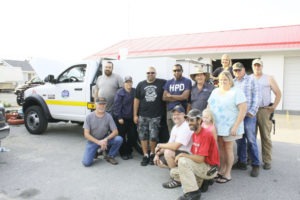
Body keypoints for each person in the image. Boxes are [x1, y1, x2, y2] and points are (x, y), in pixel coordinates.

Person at [162, 109, 220, 200]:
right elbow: (195, 156)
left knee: (183, 161)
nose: (189, 122)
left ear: (200, 120)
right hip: (202, 165)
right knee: (173, 172)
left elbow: (200, 159)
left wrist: (183, 155)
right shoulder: (194, 134)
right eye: (188, 120)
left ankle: (193, 193)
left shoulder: (206, 134)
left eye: (192, 120)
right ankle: (202, 181)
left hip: (209, 168)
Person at [208, 71, 247, 183]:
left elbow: (243, 110)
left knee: (228, 148)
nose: (222, 82)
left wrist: (236, 126)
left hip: (230, 127)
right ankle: (221, 170)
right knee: (220, 147)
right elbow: (209, 106)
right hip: (217, 126)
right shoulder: (215, 91)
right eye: (220, 80)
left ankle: (228, 173)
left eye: (225, 79)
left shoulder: (236, 92)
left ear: (230, 80)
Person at [250, 59, 282, 170]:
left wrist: (274, 106)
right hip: (252, 111)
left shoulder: (269, 78)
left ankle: (267, 160)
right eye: (255, 65)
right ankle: (251, 158)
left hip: (264, 110)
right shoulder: (249, 79)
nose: (257, 67)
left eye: (259, 65)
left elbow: (278, 93)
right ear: (252, 66)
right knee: (251, 137)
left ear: (262, 67)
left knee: (266, 137)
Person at [232, 62, 260, 177]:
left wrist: (252, 111)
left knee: (251, 139)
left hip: (248, 115)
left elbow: (257, 96)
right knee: (240, 140)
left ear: (244, 69)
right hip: (237, 116)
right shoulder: (232, 82)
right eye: (235, 70)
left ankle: (255, 164)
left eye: (239, 70)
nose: (237, 72)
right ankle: (242, 162)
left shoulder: (252, 80)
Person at [134, 67, 166, 166]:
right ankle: (145, 155)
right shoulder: (140, 84)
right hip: (143, 115)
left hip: (156, 116)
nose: (150, 74)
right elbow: (136, 100)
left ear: (155, 73)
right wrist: (135, 114)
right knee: (143, 136)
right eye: (148, 72)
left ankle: (152, 154)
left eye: (152, 73)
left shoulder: (162, 83)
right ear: (146, 74)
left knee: (153, 137)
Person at [82, 97, 123, 166]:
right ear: (95, 105)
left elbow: (115, 132)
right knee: (86, 163)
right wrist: (98, 142)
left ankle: (110, 156)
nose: (102, 106)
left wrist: (105, 139)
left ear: (106, 105)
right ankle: (98, 150)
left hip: (104, 139)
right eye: (99, 104)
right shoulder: (89, 117)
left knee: (119, 139)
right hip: (93, 140)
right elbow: (86, 134)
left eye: (103, 104)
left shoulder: (108, 116)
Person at [153, 105, 193, 169]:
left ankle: (175, 175)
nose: (176, 116)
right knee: (159, 162)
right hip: (178, 152)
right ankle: (178, 171)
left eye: (178, 114)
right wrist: (157, 154)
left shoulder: (186, 127)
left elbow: (175, 146)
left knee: (168, 152)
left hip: (188, 154)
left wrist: (159, 145)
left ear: (184, 115)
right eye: (174, 115)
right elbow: (169, 144)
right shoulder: (175, 127)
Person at [113, 76, 138, 160]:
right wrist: (119, 117)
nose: (129, 83)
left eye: (130, 82)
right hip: (122, 119)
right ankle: (123, 153)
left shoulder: (134, 91)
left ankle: (129, 151)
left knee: (132, 136)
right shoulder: (120, 92)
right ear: (124, 83)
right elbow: (116, 106)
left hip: (131, 118)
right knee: (122, 137)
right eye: (127, 82)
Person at [163, 64, 192, 132]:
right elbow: (164, 97)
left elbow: (185, 97)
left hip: (181, 111)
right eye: (174, 70)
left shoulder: (187, 81)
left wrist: (171, 96)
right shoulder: (168, 82)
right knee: (172, 133)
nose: (176, 72)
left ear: (182, 71)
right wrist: (179, 97)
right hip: (170, 111)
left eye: (178, 70)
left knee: (181, 132)